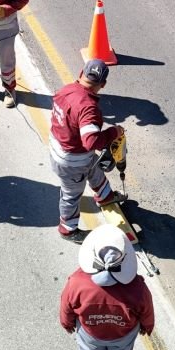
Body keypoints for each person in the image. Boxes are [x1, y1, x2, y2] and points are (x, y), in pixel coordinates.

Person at [49, 59, 127, 243]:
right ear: (103, 84)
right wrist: (113, 132)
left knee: (93, 166)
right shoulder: (88, 108)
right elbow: (91, 141)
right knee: (71, 194)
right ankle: (68, 229)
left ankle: (105, 196)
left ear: (81, 73)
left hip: (61, 148)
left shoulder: (66, 89)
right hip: (71, 162)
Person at [60, 224, 154, 350]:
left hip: (90, 333)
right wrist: (147, 326)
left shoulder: (76, 281)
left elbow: (66, 305)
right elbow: (147, 310)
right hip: (123, 336)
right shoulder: (137, 287)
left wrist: (67, 323)